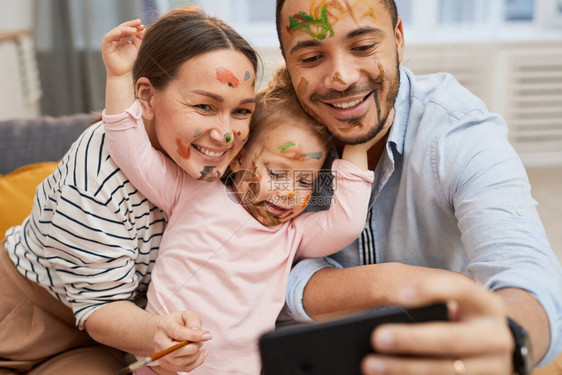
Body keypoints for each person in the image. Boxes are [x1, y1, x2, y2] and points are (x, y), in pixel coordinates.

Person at [275, 0, 562, 374]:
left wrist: (510, 337)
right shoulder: (275, 138)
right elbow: (245, 267)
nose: (341, 78)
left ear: (398, 38)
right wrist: (388, 284)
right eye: (312, 58)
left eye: (363, 47)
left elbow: (527, 274)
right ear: (286, 61)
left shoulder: (456, 130)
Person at [101, 12, 377, 372]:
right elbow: (129, 149)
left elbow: (348, 222)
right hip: (159, 366)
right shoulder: (192, 190)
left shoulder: (291, 234)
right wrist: (119, 75)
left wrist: (353, 132)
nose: (289, 193)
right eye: (276, 172)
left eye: (305, 181)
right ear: (237, 159)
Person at [0, 8, 259, 374]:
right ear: (147, 98)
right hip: (22, 319)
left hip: (102, 339)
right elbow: (98, 308)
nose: (225, 133)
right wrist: (157, 333)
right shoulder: (97, 177)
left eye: (241, 111)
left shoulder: (227, 161)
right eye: (204, 106)